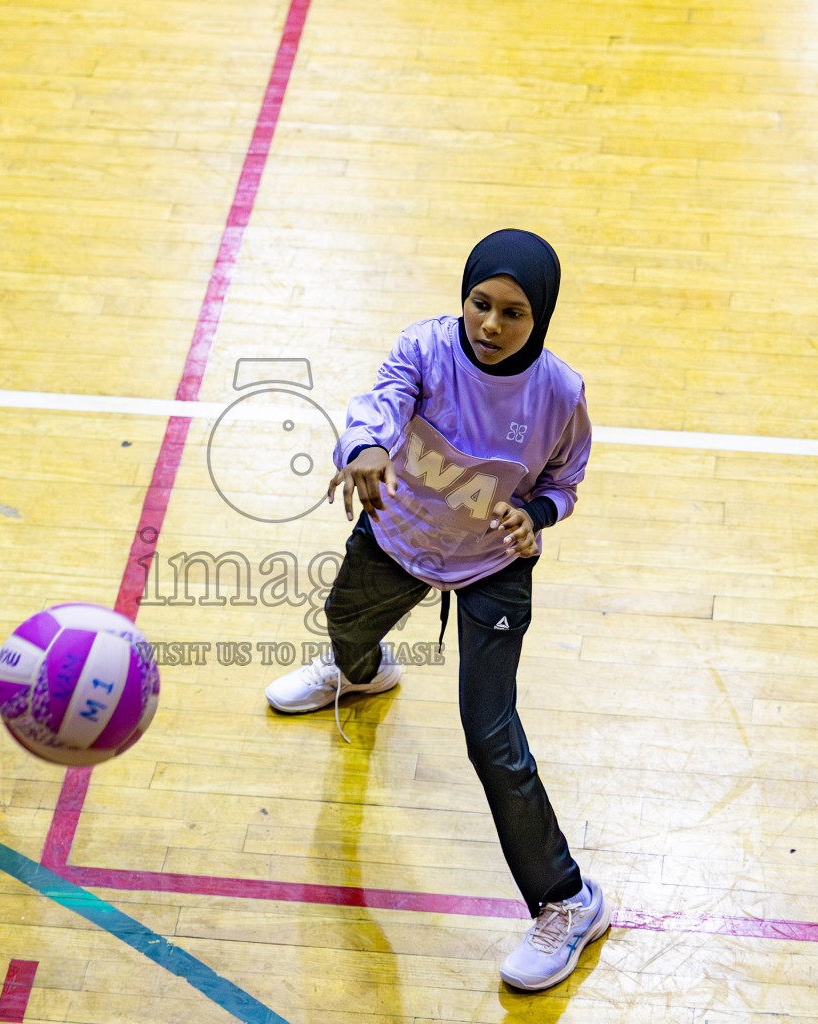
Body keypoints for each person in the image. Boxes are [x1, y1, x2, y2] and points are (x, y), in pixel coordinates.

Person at [264, 229, 604, 990]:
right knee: (344, 625)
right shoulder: (425, 350)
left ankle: (568, 901)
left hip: (492, 562)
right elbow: (380, 402)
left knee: (491, 736)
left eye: (512, 312)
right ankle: (360, 672)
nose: (489, 324)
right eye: (480, 303)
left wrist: (537, 516)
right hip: (401, 529)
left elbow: (564, 480)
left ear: (540, 316)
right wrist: (366, 450)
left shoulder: (560, 392)